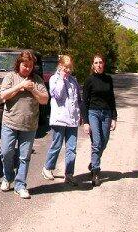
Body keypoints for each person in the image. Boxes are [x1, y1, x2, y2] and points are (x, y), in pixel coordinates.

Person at [0, 50, 49, 199]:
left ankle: (20, 185)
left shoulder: (37, 80)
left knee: (24, 157)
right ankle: (8, 177)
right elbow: (2, 96)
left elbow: (45, 100)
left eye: (30, 65)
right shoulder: (10, 77)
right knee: (6, 152)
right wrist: (20, 86)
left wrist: (32, 88)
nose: (27, 68)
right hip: (10, 122)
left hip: (29, 124)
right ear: (19, 64)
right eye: (24, 65)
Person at [41, 55, 81, 186]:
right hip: (59, 119)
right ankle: (47, 168)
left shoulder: (73, 80)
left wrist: (80, 115)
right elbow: (57, 95)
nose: (68, 70)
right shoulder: (54, 79)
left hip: (72, 119)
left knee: (72, 148)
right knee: (56, 145)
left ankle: (69, 174)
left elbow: (77, 100)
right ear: (60, 66)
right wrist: (62, 79)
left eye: (70, 68)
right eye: (65, 67)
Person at [81, 53, 117, 187]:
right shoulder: (89, 80)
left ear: (104, 64)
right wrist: (85, 121)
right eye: (96, 63)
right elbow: (84, 102)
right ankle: (96, 171)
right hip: (93, 113)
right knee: (96, 142)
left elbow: (111, 99)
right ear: (93, 65)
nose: (98, 65)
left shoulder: (108, 79)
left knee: (104, 141)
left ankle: (93, 162)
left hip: (106, 113)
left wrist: (114, 117)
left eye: (100, 62)